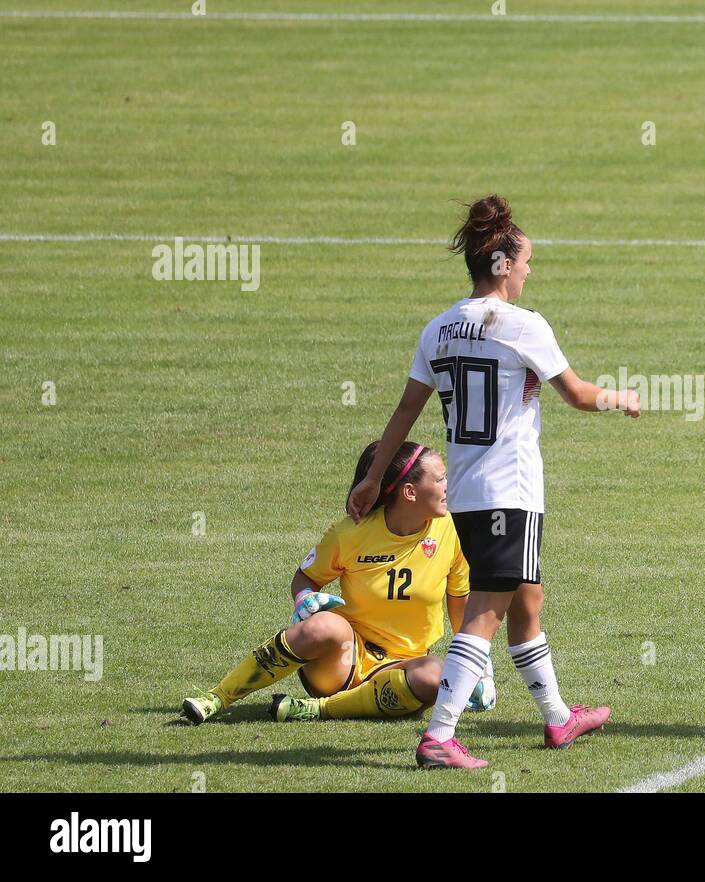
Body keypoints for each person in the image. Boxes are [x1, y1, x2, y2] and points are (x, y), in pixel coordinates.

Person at [347, 194, 640, 769]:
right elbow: (578, 395)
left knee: (526, 602)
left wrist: (374, 477)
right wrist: (621, 398)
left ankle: (558, 718)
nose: (530, 270)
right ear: (502, 265)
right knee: (487, 610)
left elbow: (406, 412)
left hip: (465, 494)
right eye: (526, 260)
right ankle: (440, 736)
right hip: (510, 489)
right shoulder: (522, 326)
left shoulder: (438, 329)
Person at [179, 441, 493, 724]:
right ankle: (217, 698)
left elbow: (460, 603)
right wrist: (304, 598)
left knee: (436, 673)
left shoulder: (452, 531)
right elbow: (306, 577)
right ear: (410, 492)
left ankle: (317, 709)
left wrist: (478, 666)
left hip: (402, 671)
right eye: (440, 479)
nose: (448, 486)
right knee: (324, 625)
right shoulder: (350, 534)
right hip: (342, 660)